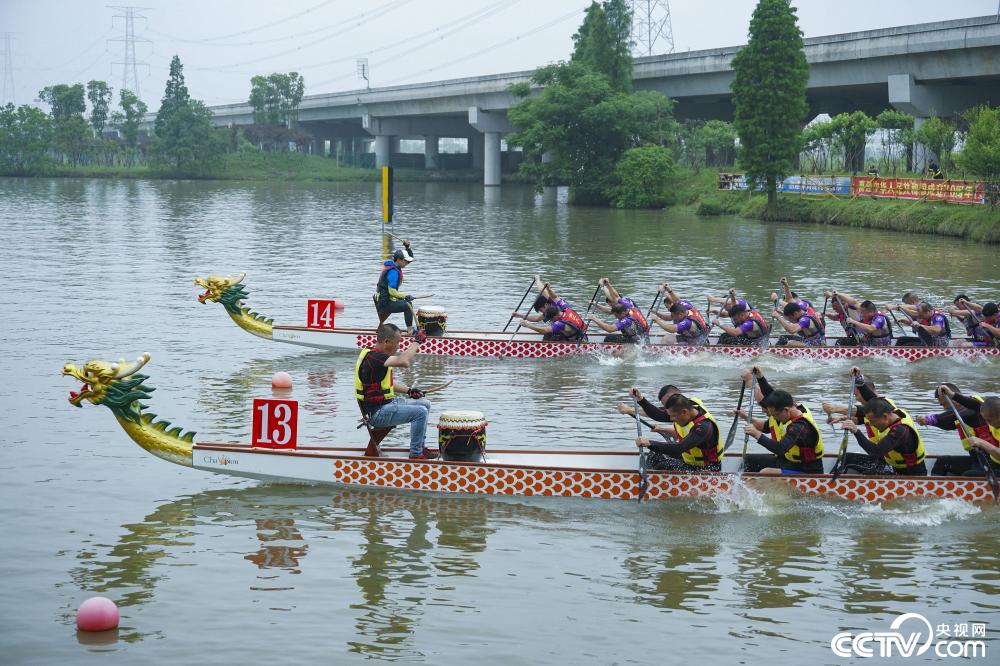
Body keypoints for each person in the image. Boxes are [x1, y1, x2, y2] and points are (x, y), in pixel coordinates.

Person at [355, 323, 437, 460]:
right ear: (386, 342)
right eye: (397, 342)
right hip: (377, 413)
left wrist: (409, 391)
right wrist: (417, 342)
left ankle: (419, 447)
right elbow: (404, 361)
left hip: (386, 405)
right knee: (420, 413)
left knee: (426, 404)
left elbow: (388, 385)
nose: (399, 346)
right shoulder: (376, 358)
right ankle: (416, 454)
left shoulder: (375, 356)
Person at [739, 367, 825, 474]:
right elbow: (770, 394)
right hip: (790, 462)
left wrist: (756, 434)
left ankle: (755, 489)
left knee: (766, 472)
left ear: (786, 410)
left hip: (807, 471)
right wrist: (760, 377)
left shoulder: (799, 426)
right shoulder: (789, 408)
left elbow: (780, 449)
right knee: (749, 460)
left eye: (774, 415)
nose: (773, 418)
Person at [918, 386, 1000, 476]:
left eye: (944, 404)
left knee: (968, 475)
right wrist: (952, 395)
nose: (987, 422)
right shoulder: (984, 411)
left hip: (993, 464)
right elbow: (948, 424)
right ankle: (933, 487)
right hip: (980, 460)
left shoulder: (978, 410)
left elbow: (967, 410)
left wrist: (931, 419)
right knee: (943, 462)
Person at [839, 398, 927, 476]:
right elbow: (870, 406)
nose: (871, 424)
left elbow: (875, 452)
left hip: (912, 474)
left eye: (872, 421)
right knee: (847, 457)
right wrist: (842, 416)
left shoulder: (900, 431)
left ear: (885, 416)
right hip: (893, 467)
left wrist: (856, 431)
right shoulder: (894, 412)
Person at [635, 394, 724, 472]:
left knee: (662, 465)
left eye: (673, 416)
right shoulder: (686, 409)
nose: (671, 419)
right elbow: (658, 414)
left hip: (708, 469)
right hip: (688, 460)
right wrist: (641, 399)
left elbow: (678, 448)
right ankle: (647, 478)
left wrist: (649, 443)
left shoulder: (703, 427)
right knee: (654, 453)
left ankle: (651, 484)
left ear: (684, 412)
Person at [374, 241, 417, 334]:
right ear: (399, 260)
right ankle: (410, 331)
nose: (407, 263)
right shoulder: (393, 272)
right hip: (385, 303)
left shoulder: (394, 266)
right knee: (408, 305)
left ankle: (410, 329)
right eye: (405, 261)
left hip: (387, 300)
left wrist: (407, 247)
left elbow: (411, 259)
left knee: (408, 303)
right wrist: (405, 296)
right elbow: (392, 292)